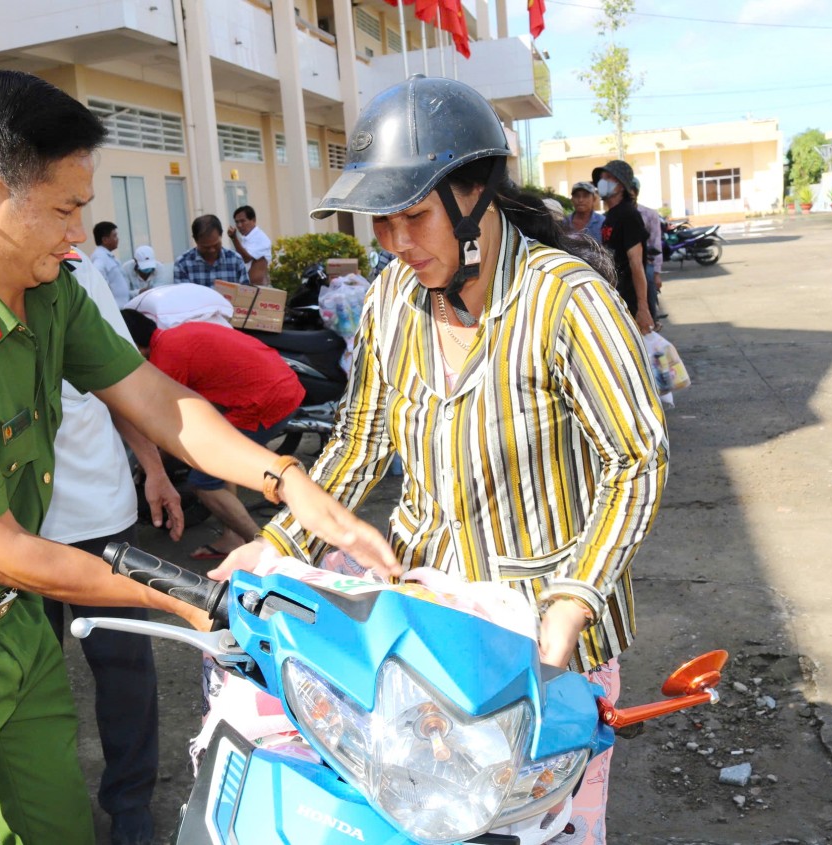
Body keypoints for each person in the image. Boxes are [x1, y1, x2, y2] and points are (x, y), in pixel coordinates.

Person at [0, 69, 397, 845]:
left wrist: (287, 480)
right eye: (64, 209)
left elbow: (152, 396)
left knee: (59, 825)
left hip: (8, 622)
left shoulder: (44, 287)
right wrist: (185, 597)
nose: (79, 231)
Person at [212, 76, 668, 844]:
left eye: (413, 217)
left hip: (548, 657)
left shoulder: (566, 301)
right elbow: (361, 439)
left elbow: (638, 459)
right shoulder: (392, 300)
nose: (395, 244)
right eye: (381, 222)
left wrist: (572, 600)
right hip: (428, 643)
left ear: (476, 195)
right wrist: (280, 540)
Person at [42, 254, 181, 845]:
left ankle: (130, 802)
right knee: (32, 683)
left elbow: (121, 383)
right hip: (16, 531)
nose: (73, 233)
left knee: (124, 670)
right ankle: (47, 810)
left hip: (100, 515)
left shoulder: (81, 276)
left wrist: (155, 469)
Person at [120, 309, 303, 561]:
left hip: (267, 401)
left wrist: (152, 465)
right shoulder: (175, 336)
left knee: (203, 483)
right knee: (222, 464)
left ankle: (265, 552)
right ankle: (232, 536)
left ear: (135, 347)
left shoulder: (166, 359)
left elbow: (169, 429)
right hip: (282, 385)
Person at [593, 159, 653, 336]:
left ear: (621, 186)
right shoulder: (611, 216)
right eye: (602, 177)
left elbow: (636, 263)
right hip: (617, 295)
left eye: (608, 177)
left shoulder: (628, 215)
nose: (602, 181)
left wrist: (643, 307)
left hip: (630, 298)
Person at [173, 214, 249, 287]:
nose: (212, 250)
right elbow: (182, 294)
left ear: (221, 235)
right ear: (195, 240)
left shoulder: (235, 260)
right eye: (206, 247)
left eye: (216, 245)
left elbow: (246, 292)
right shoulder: (183, 264)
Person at [631, 178, 665, 328]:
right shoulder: (613, 215)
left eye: (631, 191)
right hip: (623, 262)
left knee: (649, 279)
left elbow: (656, 242)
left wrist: (657, 273)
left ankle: (652, 317)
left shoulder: (649, 214)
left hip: (646, 261)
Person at [226, 205, 272, 286]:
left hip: (260, 289)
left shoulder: (260, 237)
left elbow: (246, 258)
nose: (239, 225)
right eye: (237, 222)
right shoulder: (246, 238)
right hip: (250, 288)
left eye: (243, 221)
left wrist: (234, 238)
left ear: (253, 220)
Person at [91, 220, 130, 307]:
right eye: (114, 236)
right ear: (105, 240)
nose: (117, 239)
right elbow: (98, 278)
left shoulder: (109, 257)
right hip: (114, 308)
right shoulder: (100, 257)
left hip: (122, 306)